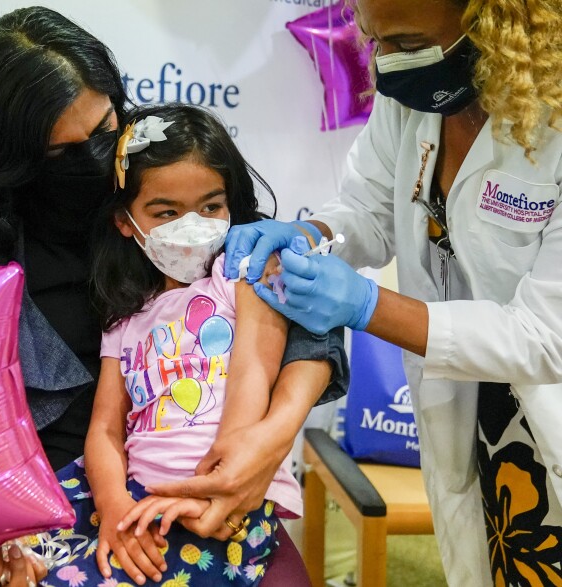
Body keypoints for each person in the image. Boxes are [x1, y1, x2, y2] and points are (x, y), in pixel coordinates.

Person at [0, 7, 347, 586]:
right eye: (59, 151)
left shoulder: (160, 171)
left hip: (206, 485)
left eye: (103, 129)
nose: (94, 159)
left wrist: (267, 441)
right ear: (9, 156)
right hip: (47, 496)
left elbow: (304, 318)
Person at [220, 0, 562, 584]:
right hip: (473, 414)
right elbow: (369, 210)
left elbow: (545, 339)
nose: (384, 65)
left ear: (495, 24)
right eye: (375, 39)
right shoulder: (415, 94)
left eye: (406, 43)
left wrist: (367, 305)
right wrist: (313, 233)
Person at [37, 103, 346, 587]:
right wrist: (115, 504)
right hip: (138, 494)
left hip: (230, 493)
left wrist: (218, 478)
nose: (193, 224)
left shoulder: (241, 274)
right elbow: (105, 429)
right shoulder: (125, 315)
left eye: (210, 207)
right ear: (125, 221)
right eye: (166, 212)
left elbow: (253, 373)